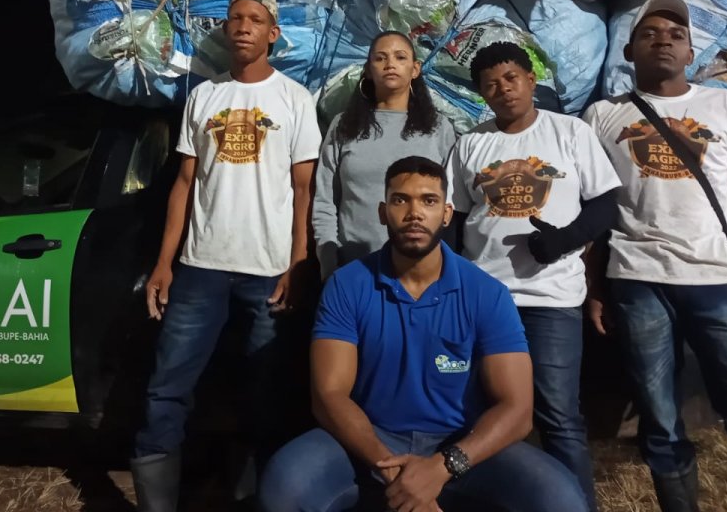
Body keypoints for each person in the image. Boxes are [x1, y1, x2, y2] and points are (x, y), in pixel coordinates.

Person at [259, 156, 588, 512]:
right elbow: (329, 395)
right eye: (401, 200)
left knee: (561, 499)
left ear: (446, 214)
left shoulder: (486, 293)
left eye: (429, 201)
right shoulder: (347, 285)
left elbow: (517, 409)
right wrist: (395, 472)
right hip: (370, 441)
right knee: (284, 487)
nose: (414, 212)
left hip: (460, 444)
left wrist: (442, 468)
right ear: (383, 212)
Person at [582, 0, 727, 512]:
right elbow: (591, 207)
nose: (664, 41)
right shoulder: (601, 116)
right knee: (660, 420)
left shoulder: (724, 105)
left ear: (691, 51)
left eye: (676, 35)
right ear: (629, 51)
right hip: (637, 281)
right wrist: (593, 288)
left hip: (719, 279)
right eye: (651, 34)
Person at [130, 0, 321, 512]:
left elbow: (305, 190)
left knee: (264, 396)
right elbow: (184, 186)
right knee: (166, 388)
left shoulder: (294, 99)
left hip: (266, 272)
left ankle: (256, 498)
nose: (242, 26)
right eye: (235, 18)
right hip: (199, 269)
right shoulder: (205, 96)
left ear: (272, 34)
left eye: (254, 19)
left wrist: (298, 264)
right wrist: (165, 263)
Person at [446, 41, 620, 511]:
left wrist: (563, 241)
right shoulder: (470, 144)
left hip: (551, 300)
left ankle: (577, 504)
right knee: (482, 416)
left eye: (511, 78)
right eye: (490, 85)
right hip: (485, 302)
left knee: (559, 416)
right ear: (481, 94)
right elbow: (456, 221)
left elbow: (606, 203)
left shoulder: (571, 133)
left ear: (531, 79)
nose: (503, 90)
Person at [314, 30, 457, 277]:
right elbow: (325, 199)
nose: (390, 64)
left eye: (400, 57)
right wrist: (329, 259)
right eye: (380, 58)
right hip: (353, 267)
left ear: (415, 69)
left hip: (421, 272)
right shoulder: (344, 125)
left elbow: (450, 205)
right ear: (368, 70)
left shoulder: (438, 128)